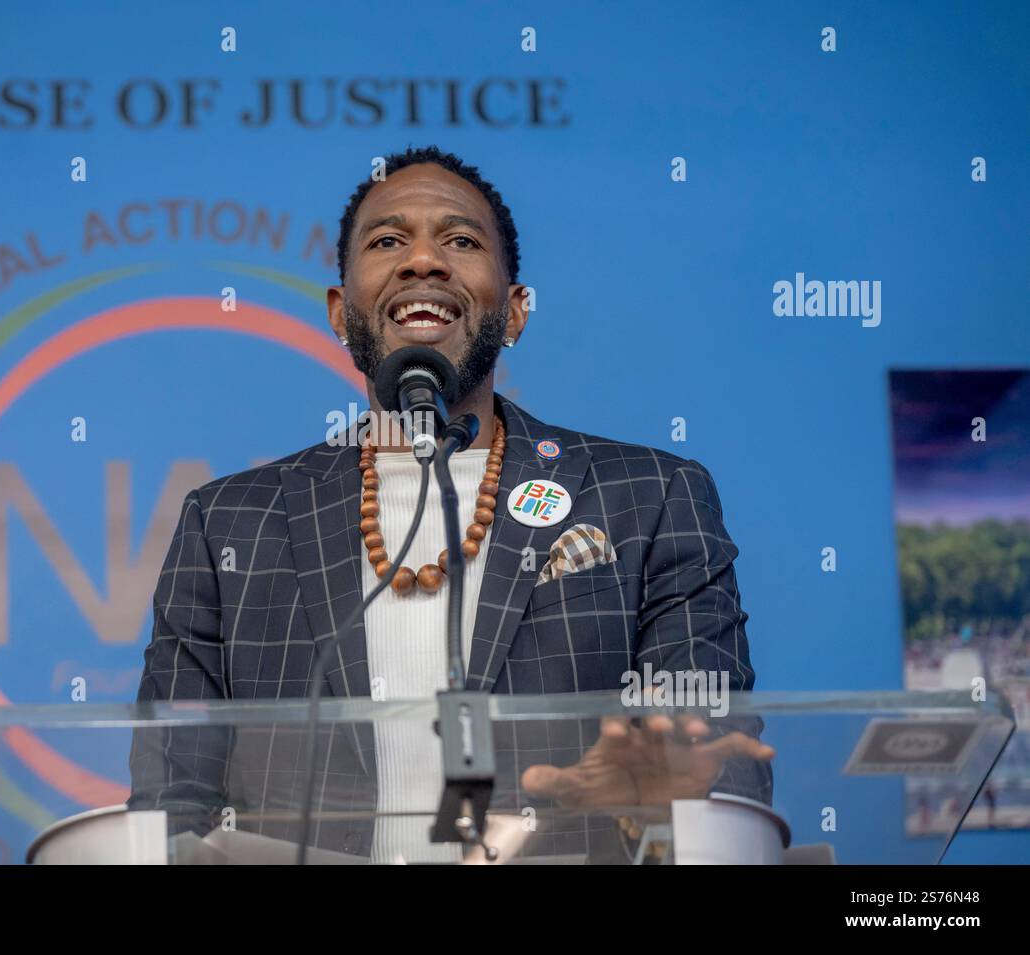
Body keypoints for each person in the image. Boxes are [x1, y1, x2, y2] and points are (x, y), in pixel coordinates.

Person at [129, 145, 774, 863]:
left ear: (517, 311)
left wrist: (650, 814)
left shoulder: (649, 497)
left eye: (462, 241)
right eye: (387, 241)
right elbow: (172, 805)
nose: (423, 261)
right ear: (340, 313)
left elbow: (712, 765)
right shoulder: (228, 522)